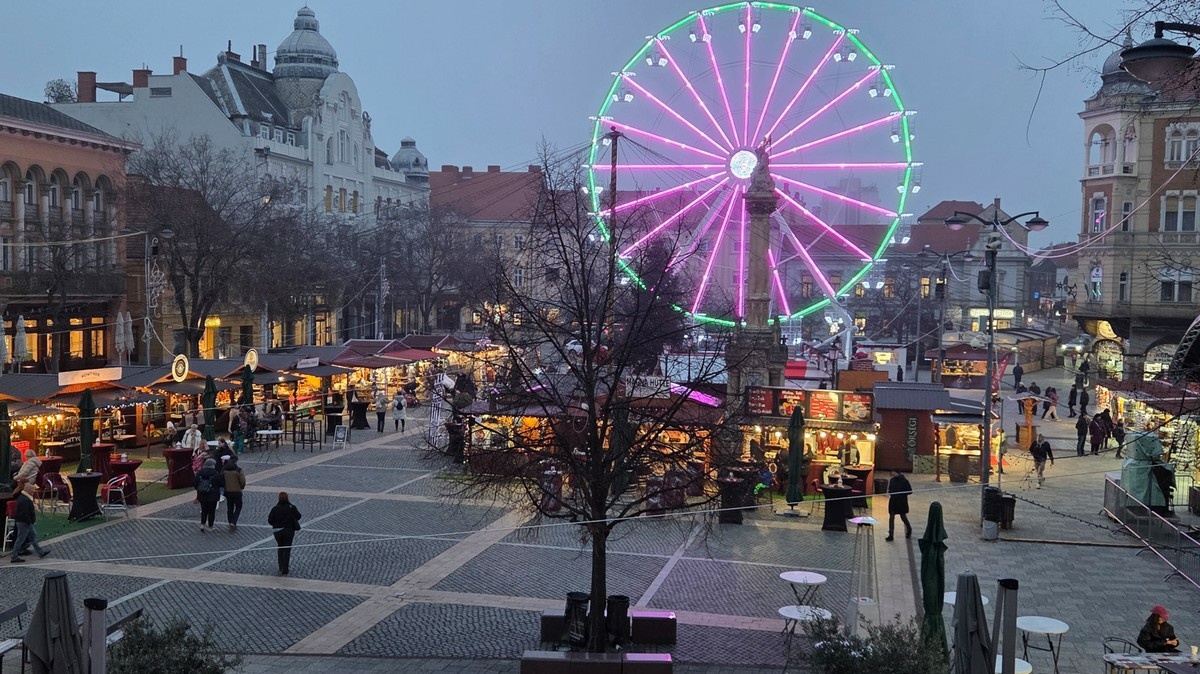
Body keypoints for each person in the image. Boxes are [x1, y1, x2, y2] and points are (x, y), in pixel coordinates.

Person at [8, 481, 50, 563]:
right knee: (21, 539)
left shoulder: (23, 498)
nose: (33, 491)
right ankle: (14, 556)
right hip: (24, 522)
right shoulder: (25, 500)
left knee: (32, 537)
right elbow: (25, 513)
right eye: (32, 489)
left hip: (25, 522)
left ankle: (40, 552)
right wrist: (30, 521)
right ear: (28, 490)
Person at [267, 491, 302, 575]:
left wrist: (276, 524)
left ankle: (281, 566)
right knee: (287, 549)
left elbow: (270, 520)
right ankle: (285, 569)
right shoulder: (291, 507)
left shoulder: (275, 508)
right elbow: (298, 516)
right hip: (288, 530)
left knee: (280, 547)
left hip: (277, 531)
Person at [195, 458, 222, 532]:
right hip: (213, 495)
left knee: (204, 510)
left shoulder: (200, 473)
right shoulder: (215, 473)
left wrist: (199, 489)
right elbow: (220, 483)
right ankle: (210, 526)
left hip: (202, 494)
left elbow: (195, 483)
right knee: (211, 511)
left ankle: (202, 524)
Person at [884, 470, 912, 542]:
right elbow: (890, 489)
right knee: (891, 518)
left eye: (894, 472)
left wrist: (901, 494)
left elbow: (909, 491)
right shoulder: (892, 480)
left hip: (901, 502)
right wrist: (891, 492)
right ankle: (891, 535)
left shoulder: (904, 481)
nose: (892, 474)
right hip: (893, 501)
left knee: (903, 517)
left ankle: (909, 529)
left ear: (897, 473)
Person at [222, 454, 246, 531]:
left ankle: (230, 522)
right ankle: (234, 521)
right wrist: (241, 487)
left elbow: (221, 480)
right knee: (238, 506)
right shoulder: (238, 470)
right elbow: (242, 481)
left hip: (227, 491)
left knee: (230, 508)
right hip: (237, 491)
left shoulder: (224, 470)